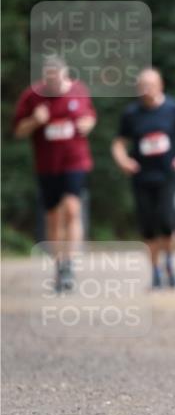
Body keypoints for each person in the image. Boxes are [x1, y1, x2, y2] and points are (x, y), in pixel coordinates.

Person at [13, 56, 96, 292]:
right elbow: (18, 131)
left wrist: (87, 124)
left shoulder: (78, 91)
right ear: (43, 78)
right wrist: (34, 121)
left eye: (57, 78)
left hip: (75, 161)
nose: (54, 84)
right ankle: (59, 265)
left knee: (72, 208)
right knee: (52, 217)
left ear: (65, 75)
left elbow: (90, 116)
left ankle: (70, 263)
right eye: (49, 79)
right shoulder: (32, 96)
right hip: (47, 165)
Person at [112, 67, 175, 288]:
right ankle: (156, 272)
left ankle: (169, 261)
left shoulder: (173, 108)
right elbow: (119, 143)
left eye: (150, 85)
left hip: (167, 174)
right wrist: (124, 161)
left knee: (167, 223)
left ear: (160, 85)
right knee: (148, 227)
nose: (146, 90)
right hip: (141, 177)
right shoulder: (131, 114)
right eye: (142, 86)